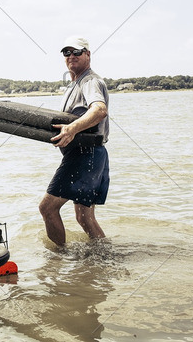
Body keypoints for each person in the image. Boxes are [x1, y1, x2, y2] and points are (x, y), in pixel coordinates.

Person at [39, 36, 110, 246]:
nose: (71, 56)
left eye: (77, 52)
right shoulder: (75, 84)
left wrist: (72, 128)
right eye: (66, 53)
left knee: (47, 208)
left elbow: (99, 110)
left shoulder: (90, 81)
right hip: (92, 156)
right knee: (84, 218)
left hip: (85, 155)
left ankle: (59, 260)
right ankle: (103, 257)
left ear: (88, 54)